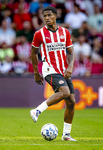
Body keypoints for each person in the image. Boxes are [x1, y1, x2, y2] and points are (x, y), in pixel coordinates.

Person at [30, 6, 76, 141]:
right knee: (65, 92)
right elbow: (33, 53)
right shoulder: (39, 34)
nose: (47, 18)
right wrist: (36, 72)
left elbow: (71, 51)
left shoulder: (65, 32)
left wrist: (70, 67)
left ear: (56, 16)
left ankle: (66, 135)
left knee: (71, 102)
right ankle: (37, 110)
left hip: (64, 70)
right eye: (44, 16)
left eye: (49, 15)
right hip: (49, 69)